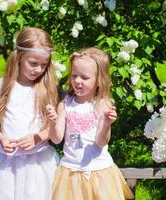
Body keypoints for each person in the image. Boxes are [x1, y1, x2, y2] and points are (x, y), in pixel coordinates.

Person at [0, 27, 60, 200]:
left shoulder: (46, 89)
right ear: (19, 58)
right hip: (5, 164)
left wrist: (37, 138)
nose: (38, 69)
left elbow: (53, 128)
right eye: (33, 63)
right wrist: (1, 138)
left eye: (44, 65)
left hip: (37, 164)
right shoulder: (2, 85)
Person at [46, 47, 134, 200]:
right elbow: (56, 139)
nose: (77, 81)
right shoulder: (65, 104)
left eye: (84, 77)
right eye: (74, 76)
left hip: (99, 172)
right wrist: (53, 122)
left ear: (99, 80)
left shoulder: (102, 105)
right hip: (70, 173)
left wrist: (106, 124)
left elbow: (101, 142)